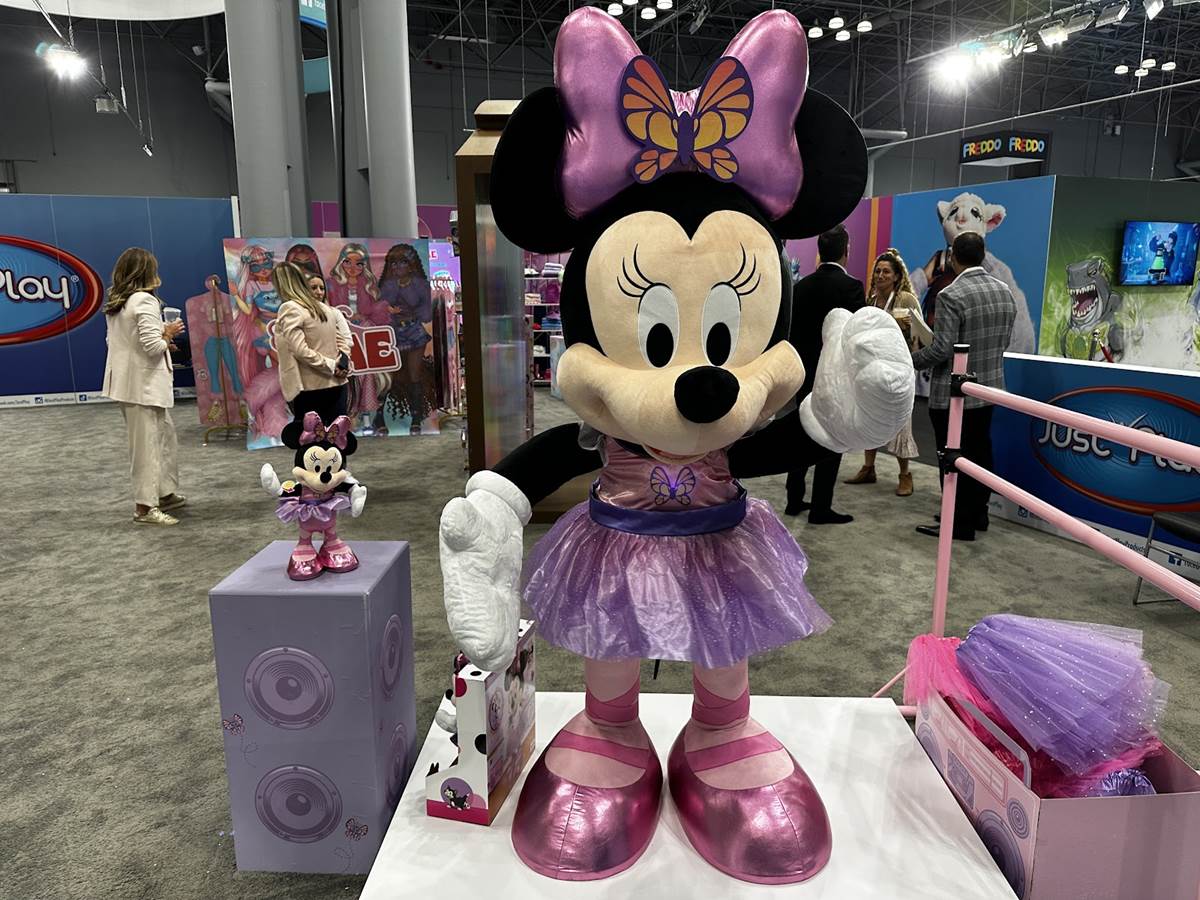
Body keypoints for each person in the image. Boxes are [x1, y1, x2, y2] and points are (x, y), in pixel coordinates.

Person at [912, 232, 1016, 541]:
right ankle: (978, 514)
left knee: (952, 458)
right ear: (982, 255)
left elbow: (943, 350)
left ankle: (958, 522)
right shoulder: (1004, 291)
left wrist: (909, 359)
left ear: (952, 258)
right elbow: (1003, 341)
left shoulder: (951, 295)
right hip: (989, 390)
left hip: (954, 396)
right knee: (980, 453)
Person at [785, 224, 864, 523]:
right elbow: (857, 337)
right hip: (833, 375)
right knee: (832, 436)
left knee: (800, 431)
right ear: (846, 251)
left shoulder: (800, 287)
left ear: (819, 251)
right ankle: (820, 507)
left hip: (803, 373)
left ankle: (794, 499)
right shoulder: (851, 287)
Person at [102, 247, 186, 526]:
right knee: (147, 447)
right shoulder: (145, 301)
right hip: (144, 386)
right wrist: (168, 334)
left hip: (129, 383)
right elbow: (152, 347)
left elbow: (122, 342)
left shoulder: (119, 303)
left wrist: (162, 338)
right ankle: (145, 507)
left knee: (163, 438)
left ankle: (163, 493)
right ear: (147, 272)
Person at [844, 249, 924, 497]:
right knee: (870, 416)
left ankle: (905, 474)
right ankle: (868, 468)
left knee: (901, 421)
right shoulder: (871, 300)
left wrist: (906, 328)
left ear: (897, 276)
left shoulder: (906, 300)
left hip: (899, 369)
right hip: (872, 367)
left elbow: (922, 334)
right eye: (877, 271)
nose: (880, 275)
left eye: (886, 271)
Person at [272, 261, 353, 425]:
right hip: (338, 384)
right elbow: (343, 341)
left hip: (310, 387)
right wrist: (342, 364)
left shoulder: (290, 308)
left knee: (312, 439)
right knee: (337, 436)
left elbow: (300, 350)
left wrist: (333, 365)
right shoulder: (325, 308)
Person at [378, 243, 433, 434]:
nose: (397, 267)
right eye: (393, 263)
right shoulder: (387, 285)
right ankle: (379, 417)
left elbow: (426, 313)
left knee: (414, 374)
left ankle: (416, 417)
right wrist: (387, 309)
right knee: (388, 376)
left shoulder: (420, 285)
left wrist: (408, 298)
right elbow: (379, 309)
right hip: (391, 332)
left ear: (411, 264)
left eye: (402, 262)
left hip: (414, 331)